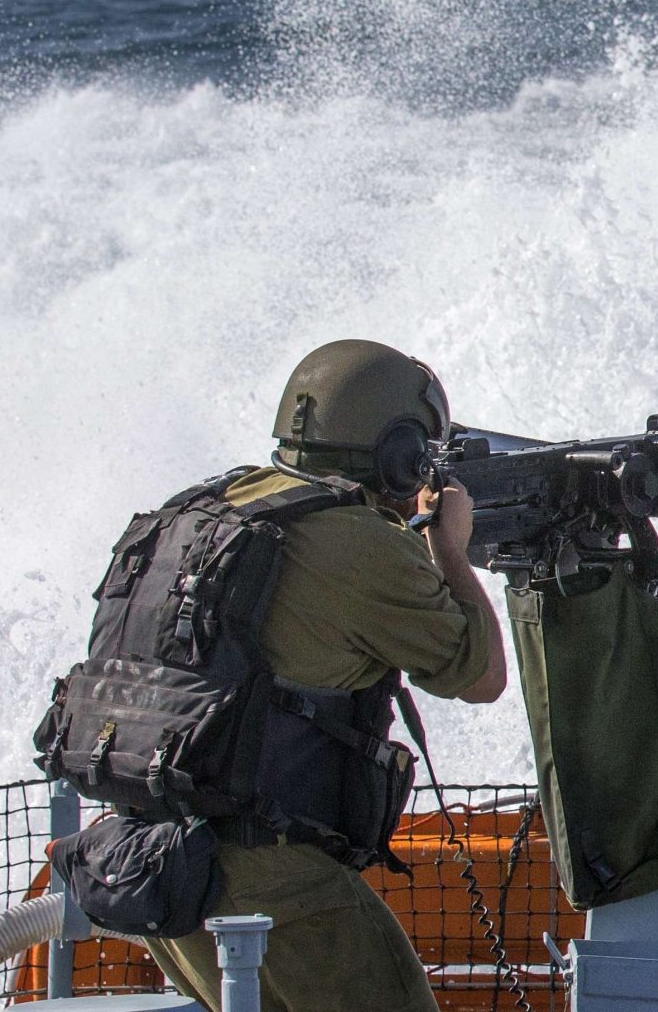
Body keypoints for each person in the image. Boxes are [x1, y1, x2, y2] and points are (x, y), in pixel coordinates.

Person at [140, 339, 506, 1012]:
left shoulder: (205, 507)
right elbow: (480, 674)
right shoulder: (363, 542)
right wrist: (447, 547)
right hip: (271, 879)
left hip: (159, 864)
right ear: (396, 454)